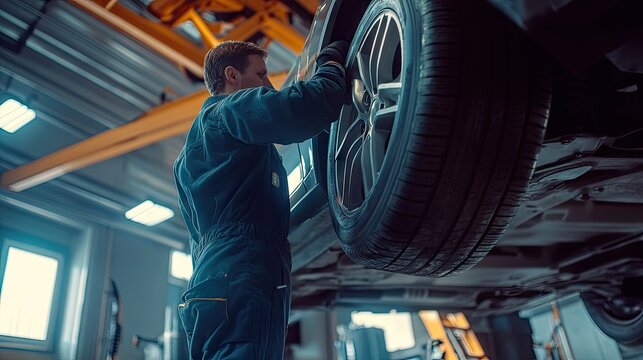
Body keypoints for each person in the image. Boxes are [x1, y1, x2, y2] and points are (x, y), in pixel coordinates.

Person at [173, 40, 350, 359]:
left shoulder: (188, 159)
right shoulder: (227, 110)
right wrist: (332, 67)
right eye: (261, 74)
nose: (269, 84)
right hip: (241, 270)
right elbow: (295, 112)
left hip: (214, 278)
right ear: (232, 75)